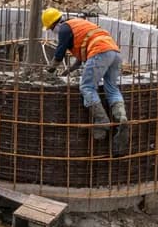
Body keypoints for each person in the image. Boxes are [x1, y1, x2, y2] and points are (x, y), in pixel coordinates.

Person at [42, 8, 129, 154]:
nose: (52, 32)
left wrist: (49, 71)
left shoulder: (64, 29)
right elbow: (78, 62)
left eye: (51, 29)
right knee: (112, 88)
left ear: (54, 24)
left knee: (87, 87)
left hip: (99, 51)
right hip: (113, 52)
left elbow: (59, 53)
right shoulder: (78, 25)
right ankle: (122, 117)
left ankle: (102, 121)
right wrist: (65, 73)